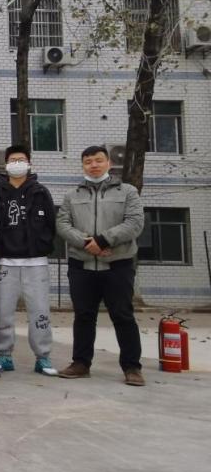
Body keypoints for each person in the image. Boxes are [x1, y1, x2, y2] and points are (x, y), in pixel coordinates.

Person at [56, 145, 146, 386]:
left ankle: (132, 367)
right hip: (82, 266)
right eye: (88, 161)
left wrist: (104, 240)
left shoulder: (127, 192)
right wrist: (88, 243)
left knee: (123, 316)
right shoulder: (72, 195)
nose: (93, 165)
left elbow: (135, 223)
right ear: (82, 165)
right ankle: (81, 363)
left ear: (108, 163)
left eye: (98, 160)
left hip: (117, 265)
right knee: (84, 316)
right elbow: (62, 224)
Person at [0, 145, 58, 376]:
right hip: (4, 261)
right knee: (2, 311)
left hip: (35, 262)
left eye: (21, 159)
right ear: (5, 164)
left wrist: (42, 245)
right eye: (12, 160)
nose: (16, 163)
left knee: (40, 311)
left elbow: (51, 223)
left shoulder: (40, 192)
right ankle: (4, 354)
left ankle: (43, 357)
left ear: (29, 164)